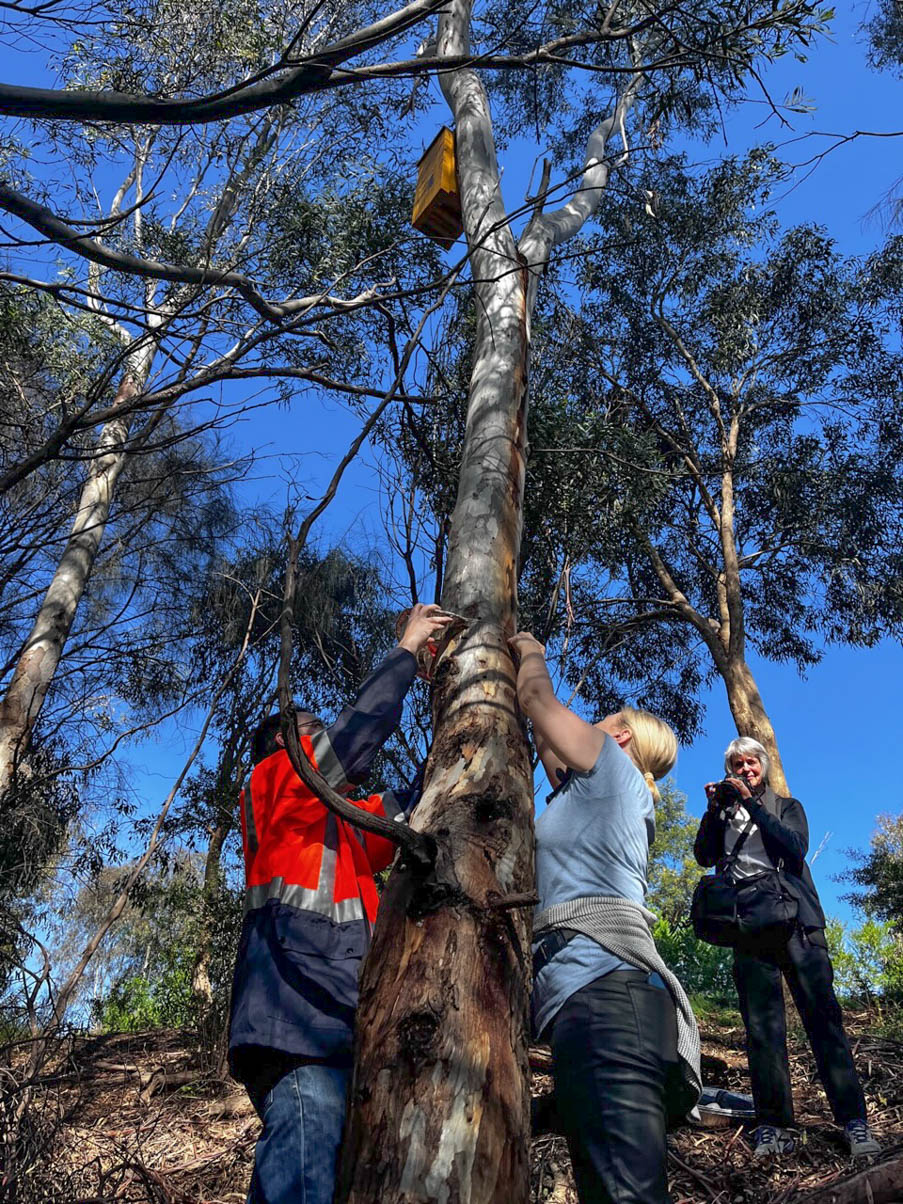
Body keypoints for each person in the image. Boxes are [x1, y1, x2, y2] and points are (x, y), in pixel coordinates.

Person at [228, 602, 451, 1204]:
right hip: (296, 1015)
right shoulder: (274, 780)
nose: (318, 736)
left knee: (315, 1168)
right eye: (311, 731)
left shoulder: (327, 823)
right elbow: (354, 739)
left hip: (331, 1018)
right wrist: (405, 650)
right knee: (304, 1167)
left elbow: (401, 814)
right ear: (286, 744)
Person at [510, 630, 701, 1204]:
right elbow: (543, 736)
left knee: (624, 1196)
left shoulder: (612, 770)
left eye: (602, 719)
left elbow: (539, 705)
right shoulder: (583, 795)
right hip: (588, 1005)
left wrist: (529, 650)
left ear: (618, 737)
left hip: (610, 1000)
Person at [694, 736, 881, 1160]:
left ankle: (854, 1122)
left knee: (823, 1020)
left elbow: (795, 848)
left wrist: (753, 805)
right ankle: (774, 1126)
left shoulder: (786, 807)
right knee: (762, 1031)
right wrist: (713, 811)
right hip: (748, 928)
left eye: (751, 764)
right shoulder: (723, 816)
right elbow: (703, 857)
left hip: (798, 925)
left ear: (762, 767)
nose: (744, 770)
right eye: (736, 765)